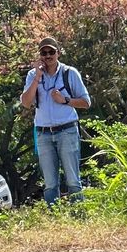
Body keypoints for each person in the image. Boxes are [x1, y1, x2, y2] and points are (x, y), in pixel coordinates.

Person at [20, 37, 90, 204]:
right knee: (50, 183)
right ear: (40, 55)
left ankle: (78, 214)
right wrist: (37, 77)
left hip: (67, 130)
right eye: (44, 52)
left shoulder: (69, 73)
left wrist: (65, 100)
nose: (48, 55)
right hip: (43, 133)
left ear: (58, 53)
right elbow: (26, 103)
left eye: (51, 52)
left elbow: (86, 102)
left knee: (73, 180)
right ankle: (54, 218)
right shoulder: (32, 75)